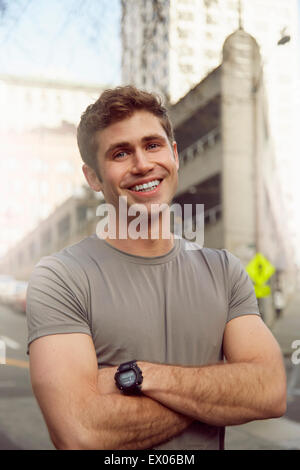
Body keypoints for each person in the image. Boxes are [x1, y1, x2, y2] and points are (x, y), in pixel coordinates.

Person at [26, 86, 286, 451]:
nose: (143, 164)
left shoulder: (224, 271)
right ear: (94, 177)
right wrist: (222, 393)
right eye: (120, 153)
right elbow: (81, 434)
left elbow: (271, 390)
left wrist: (132, 378)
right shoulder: (60, 277)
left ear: (174, 154)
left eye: (152, 145)